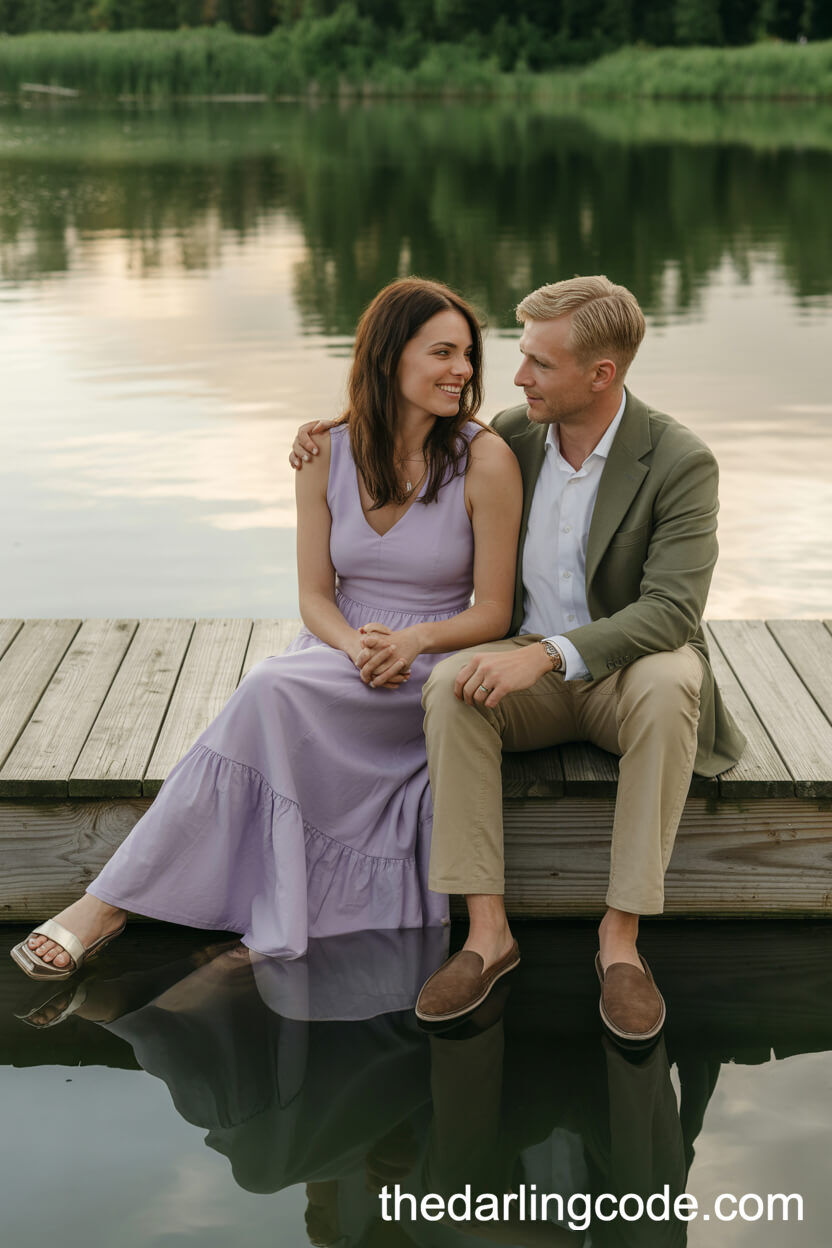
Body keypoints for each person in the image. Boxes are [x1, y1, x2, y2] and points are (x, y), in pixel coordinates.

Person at [11, 277, 522, 982]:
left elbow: (493, 611)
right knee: (275, 686)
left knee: (270, 690)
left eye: (467, 354)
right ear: (389, 356)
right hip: (340, 648)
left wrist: (412, 643)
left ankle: (110, 906)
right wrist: (354, 645)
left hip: (431, 662)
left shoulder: (484, 458)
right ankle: (113, 905)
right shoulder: (324, 452)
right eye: (442, 352)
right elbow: (314, 596)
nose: (462, 370)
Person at [290, 275, 746, 1045]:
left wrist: (549, 658)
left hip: (628, 673)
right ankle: (487, 935)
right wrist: (327, 430)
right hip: (523, 666)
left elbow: (671, 612)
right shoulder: (512, 438)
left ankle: (621, 942)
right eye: (522, 355)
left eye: (539, 362)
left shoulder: (680, 461)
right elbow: (410, 428)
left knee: (674, 680)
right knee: (451, 688)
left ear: (600, 374)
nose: (516, 375)